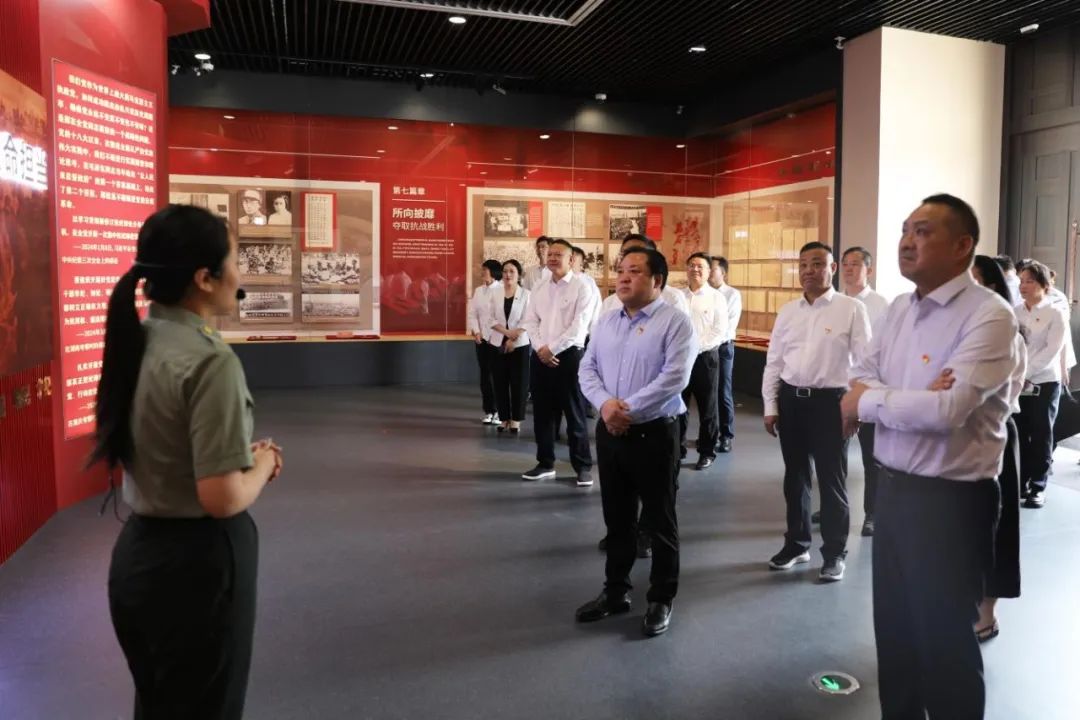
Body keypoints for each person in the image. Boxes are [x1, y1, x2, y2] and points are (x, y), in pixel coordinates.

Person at [93, 205, 283, 719]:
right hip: (197, 570)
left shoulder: (138, 339)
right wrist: (263, 463)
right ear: (204, 278)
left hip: (139, 558)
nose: (239, 275)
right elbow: (221, 497)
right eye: (234, 260)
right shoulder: (210, 361)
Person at [843, 194, 1014, 720]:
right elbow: (861, 373)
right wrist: (914, 394)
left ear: (962, 245)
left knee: (944, 647)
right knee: (894, 637)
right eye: (904, 230)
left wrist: (869, 402)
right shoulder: (898, 309)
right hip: (892, 491)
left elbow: (947, 411)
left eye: (922, 231)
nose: (906, 242)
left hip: (952, 502)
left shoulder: (989, 315)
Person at [576, 247, 696, 637]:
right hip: (611, 434)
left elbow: (674, 377)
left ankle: (661, 597)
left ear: (657, 280)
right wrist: (605, 406)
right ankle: (615, 591)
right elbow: (587, 368)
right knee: (617, 519)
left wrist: (625, 410)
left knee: (660, 522)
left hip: (654, 433)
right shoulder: (607, 321)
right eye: (621, 271)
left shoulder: (676, 322)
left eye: (634, 271)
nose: (623, 278)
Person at [762, 241, 870, 582]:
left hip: (831, 404)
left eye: (817, 264)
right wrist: (771, 405)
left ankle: (835, 552)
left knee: (831, 479)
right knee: (794, 478)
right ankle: (797, 544)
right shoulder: (788, 311)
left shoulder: (851, 309)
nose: (809, 270)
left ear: (832, 268)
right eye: (803, 264)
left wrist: (855, 408)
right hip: (792, 401)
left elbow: (865, 365)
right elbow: (774, 362)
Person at [970, 255, 1026, 643]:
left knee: (996, 529)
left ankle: (987, 613)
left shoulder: (1008, 334)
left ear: (993, 288)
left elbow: (997, 395)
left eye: (975, 282)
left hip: (994, 435)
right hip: (952, 441)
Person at [520, 239, 598, 486]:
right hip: (541, 355)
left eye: (558, 255)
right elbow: (530, 321)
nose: (552, 258)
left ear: (571, 259)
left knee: (574, 413)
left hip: (569, 357)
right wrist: (540, 348)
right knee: (542, 413)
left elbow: (579, 326)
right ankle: (545, 463)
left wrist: (551, 349)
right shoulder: (540, 287)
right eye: (550, 254)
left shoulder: (582, 287)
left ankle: (582, 467)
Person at [840, 246, 890, 537]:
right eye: (845, 264)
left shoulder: (881, 305)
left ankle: (873, 511)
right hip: (838, 389)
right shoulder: (835, 302)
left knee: (872, 457)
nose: (849, 269)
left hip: (868, 388)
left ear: (868, 270)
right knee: (834, 454)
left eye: (855, 264)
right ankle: (836, 505)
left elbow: (884, 351)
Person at [1015, 260, 1067, 509]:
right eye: (1021, 281)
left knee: (1041, 434)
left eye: (1030, 281)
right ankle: (1021, 481)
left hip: (1044, 382)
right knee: (1019, 432)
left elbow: (1052, 350)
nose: (1023, 286)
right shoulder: (1015, 311)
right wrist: (1017, 373)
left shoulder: (1055, 313)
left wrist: (1026, 373)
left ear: (1045, 285)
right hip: (1018, 382)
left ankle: (1038, 485)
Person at [680, 252, 728, 470]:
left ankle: (707, 452)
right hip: (680, 359)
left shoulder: (717, 298)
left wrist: (695, 348)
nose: (695, 269)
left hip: (705, 358)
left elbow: (719, 331)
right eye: (691, 265)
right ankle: (677, 449)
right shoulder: (678, 297)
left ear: (709, 271)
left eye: (700, 266)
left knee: (708, 408)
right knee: (679, 406)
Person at [599, 235, 690, 317]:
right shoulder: (609, 303)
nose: (630, 257)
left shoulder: (672, 297)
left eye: (638, 252)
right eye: (625, 253)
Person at [489, 259, 530, 434]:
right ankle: (504, 418)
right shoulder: (495, 293)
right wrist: (507, 334)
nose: (508, 275)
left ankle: (516, 420)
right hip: (498, 341)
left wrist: (514, 337)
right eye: (505, 271)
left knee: (519, 383)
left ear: (519, 275)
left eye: (512, 271)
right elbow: (490, 318)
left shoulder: (527, 294)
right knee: (500, 382)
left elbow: (528, 319)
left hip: (520, 344)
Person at [708, 255, 741, 453]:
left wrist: (709, 340)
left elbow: (728, 326)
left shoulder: (732, 295)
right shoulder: (705, 294)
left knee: (723, 392)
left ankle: (726, 435)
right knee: (706, 393)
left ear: (723, 273)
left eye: (712, 269)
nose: (709, 273)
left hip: (722, 348)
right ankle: (709, 434)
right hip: (704, 348)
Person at [468, 259, 503, 425]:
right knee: (485, 376)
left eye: (485, 270)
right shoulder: (478, 291)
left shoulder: (501, 289)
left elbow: (500, 316)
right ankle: (489, 410)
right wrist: (476, 331)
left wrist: (490, 334)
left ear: (494, 272)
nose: (482, 273)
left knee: (497, 376)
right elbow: (472, 313)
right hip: (481, 339)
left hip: (497, 338)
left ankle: (500, 411)